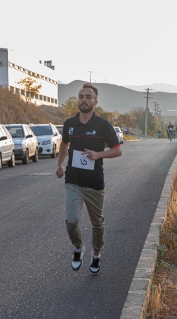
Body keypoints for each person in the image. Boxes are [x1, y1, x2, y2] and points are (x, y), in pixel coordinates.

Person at [56, 82, 122, 275]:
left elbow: (118, 150)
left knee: (97, 224)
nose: (84, 100)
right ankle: (78, 248)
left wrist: (98, 155)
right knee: (72, 220)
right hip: (73, 181)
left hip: (94, 183)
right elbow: (64, 144)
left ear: (95, 101)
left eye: (88, 97)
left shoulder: (103, 125)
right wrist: (59, 165)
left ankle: (96, 253)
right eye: (81, 96)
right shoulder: (69, 124)